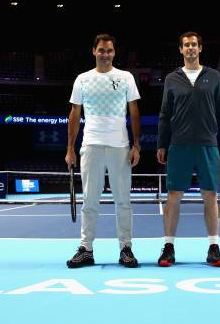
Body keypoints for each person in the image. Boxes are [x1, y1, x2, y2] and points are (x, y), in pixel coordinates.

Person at [156, 31, 220, 267]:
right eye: (186, 45)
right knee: (173, 196)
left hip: (208, 144)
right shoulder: (171, 79)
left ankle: (213, 247)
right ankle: (168, 247)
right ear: (180, 50)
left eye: (194, 45)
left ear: (200, 49)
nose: (190, 48)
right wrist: (161, 143)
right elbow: (165, 114)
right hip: (179, 145)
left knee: (210, 196)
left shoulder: (214, 77)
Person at [66, 34, 142, 268]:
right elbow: (75, 114)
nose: (105, 54)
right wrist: (71, 149)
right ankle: (86, 249)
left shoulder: (125, 77)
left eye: (109, 50)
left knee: (123, 201)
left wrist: (136, 144)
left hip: (120, 146)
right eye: (101, 50)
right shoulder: (82, 79)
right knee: (90, 200)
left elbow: (134, 110)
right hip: (91, 145)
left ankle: (125, 249)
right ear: (94, 51)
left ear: (114, 52)